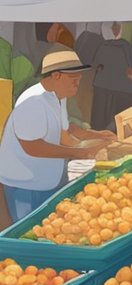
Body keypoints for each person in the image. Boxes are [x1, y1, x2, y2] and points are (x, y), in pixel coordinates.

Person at [0, 51, 112, 220]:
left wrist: (95, 135)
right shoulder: (33, 102)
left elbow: (66, 129)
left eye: (79, 79)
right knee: (28, 232)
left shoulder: (58, 97)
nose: (77, 84)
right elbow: (33, 147)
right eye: (73, 79)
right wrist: (78, 153)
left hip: (49, 179)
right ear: (56, 76)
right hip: (27, 183)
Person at [90, 23, 132, 132]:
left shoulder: (102, 47)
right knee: (121, 125)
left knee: (100, 124)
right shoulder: (127, 46)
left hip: (102, 88)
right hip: (124, 91)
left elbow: (95, 65)